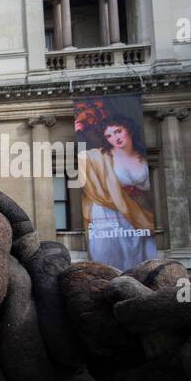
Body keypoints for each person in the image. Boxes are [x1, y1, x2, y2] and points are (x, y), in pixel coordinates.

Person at [78, 115, 157, 270]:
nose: (115, 138)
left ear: (128, 129)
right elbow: (82, 158)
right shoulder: (100, 156)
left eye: (118, 131)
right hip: (107, 213)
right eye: (109, 135)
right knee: (108, 259)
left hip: (137, 214)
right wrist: (81, 131)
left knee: (138, 260)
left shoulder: (143, 156)